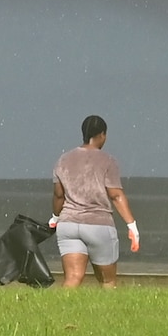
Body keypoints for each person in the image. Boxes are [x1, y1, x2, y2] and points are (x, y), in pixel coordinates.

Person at [51, 114, 140, 289]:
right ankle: (111, 315)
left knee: (73, 278)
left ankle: (58, 313)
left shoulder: (63, 160)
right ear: (102, 135)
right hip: (98, 225)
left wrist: (55, 218)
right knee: (108, 281)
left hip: (68, 224)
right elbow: (116, 195)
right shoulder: (108, 160)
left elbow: (59, 195)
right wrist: (132, 225)